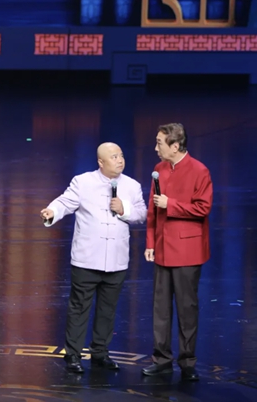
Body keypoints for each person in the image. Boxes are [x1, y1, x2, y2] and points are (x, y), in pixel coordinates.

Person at [40, 142, 147, 373]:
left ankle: (100, 353)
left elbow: (142, 214)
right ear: (101, 162)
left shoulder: (132, 186)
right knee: (79, 308)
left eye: (121, 155)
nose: (120, 160)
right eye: (114, 157)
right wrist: (51, 212)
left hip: (117, 259)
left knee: (108, 310)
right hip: (87, 258)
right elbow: (64, 202)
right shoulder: (83, 182)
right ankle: (73, 355)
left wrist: (124, 209)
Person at [142, 123, 213, 382]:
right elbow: (152, 210)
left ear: (175, 146)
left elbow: (202, 208)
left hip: (187, 251)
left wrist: (170, 204)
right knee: (160, 309)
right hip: (162, 248)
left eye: (160, 142)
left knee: (186, 308)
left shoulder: (199, 170)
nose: (156, 147)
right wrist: (150, 243)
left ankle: (187, 361)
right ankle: (161, 360)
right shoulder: (159, 169)